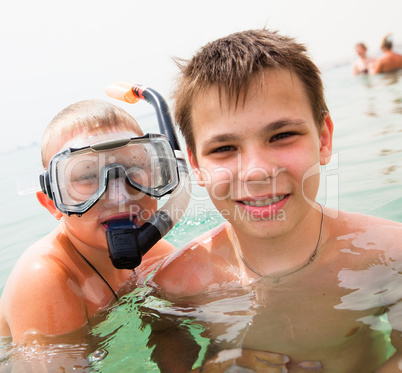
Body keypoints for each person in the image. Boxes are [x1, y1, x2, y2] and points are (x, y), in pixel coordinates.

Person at [149, 29, 402, 372]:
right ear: (196, 165)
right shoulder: (176, 289)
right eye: (224, 149)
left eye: (282, 136)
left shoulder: (390, 256)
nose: (255, 172)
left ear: (324, 139)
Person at [0, 99, 176, 345]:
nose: (120, 196)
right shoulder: (45, 279)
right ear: (53, 203)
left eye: (135, 168)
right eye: (87, 176)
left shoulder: (156, 253)